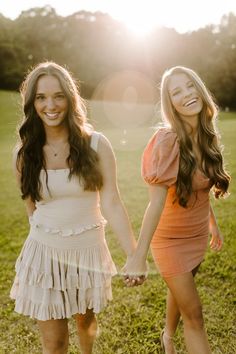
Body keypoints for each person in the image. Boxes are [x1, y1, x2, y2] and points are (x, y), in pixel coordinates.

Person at [10, 61, 142, 354]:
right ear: (32, 102)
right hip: (45, 256)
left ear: (70, 98)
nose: (51, 105)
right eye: (41, 97)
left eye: (58, 95)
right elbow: (31, 208)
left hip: (87, 253)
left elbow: (112, 202)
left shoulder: (96, 145)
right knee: (54, 343)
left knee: (85, 322)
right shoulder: (24, 153)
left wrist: (134, 254)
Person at [124, 66, 230, 354]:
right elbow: (155, 202)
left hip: (196, 236)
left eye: (190, 86)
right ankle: (172, 336)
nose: (186, 95)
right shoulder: (167, 140)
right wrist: (138, 256)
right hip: (169, 240)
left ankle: (167, 336)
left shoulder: (207, 136)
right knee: (194, 314)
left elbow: (199, 191)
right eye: (176, 92)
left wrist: (212, 224)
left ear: (199, 89)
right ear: (170, 104)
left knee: (181, 290)